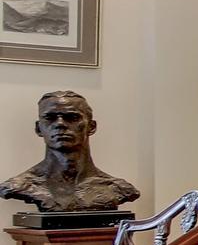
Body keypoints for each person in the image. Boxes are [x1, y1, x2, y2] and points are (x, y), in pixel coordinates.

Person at [0, 90, 140, 213]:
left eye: (72, 118)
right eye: (50, 118)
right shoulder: (20, 186)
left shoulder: (116, 188)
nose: (60, 124)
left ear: (91, 127)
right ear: (38, 128)